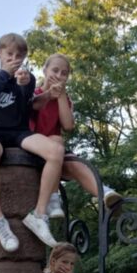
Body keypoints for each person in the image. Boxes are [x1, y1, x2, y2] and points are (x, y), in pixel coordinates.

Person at [0, 33, 61, 252]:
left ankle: (39, 214)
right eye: (9, 54)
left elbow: (27, 109)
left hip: (19, 132)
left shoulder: (26, 77)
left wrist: (24, 86)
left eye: (19, 55)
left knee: (56, 151)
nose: (14, 58)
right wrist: (3, 75)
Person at [28, 53, 121, 215]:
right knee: (56, 140)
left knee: (75, 163)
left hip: (56, 153)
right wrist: (49, 94)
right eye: (55, 70)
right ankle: (53, 198)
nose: (59, 76)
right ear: (45, 70)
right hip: (33, 150)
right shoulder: (33, 94)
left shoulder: (65, 99)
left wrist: (61, 95)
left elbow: (68, 126)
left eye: (64, 73)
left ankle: (106, 194)